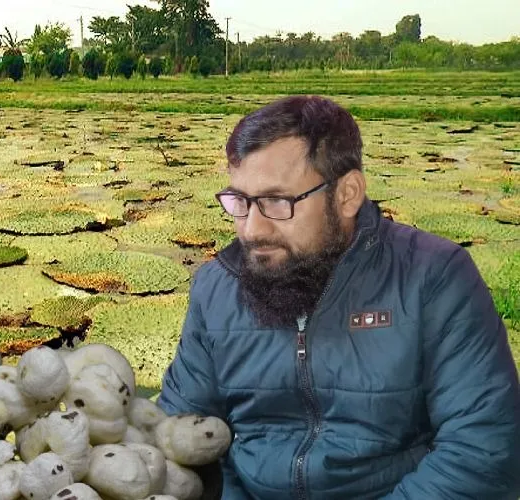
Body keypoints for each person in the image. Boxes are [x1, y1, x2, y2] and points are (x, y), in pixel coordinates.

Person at [157, 95, 520, 499]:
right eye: (240, 202)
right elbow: (178, 433)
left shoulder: (434, 278)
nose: (251, 230)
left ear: (347, 194)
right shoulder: (216, 288)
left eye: (277, 201)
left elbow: (483, 447)